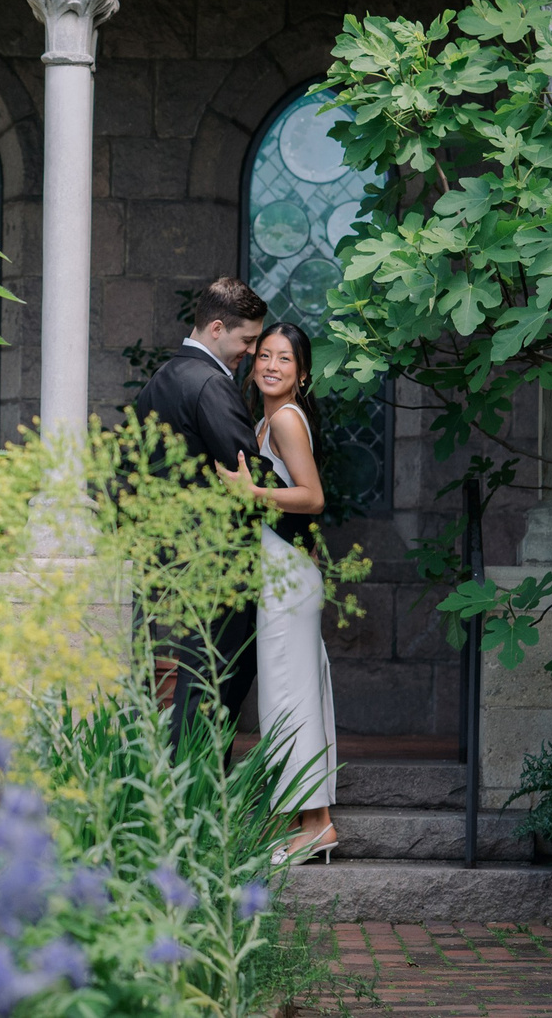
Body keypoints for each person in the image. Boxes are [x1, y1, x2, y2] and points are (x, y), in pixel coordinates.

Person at [131, 277, 269, 754]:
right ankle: (194, 794)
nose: (250, 353)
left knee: (201, 678)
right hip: (218, 558)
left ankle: (189, 794)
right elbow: (246, 473)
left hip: (176, 554)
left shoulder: (160, 380)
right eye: (247, 340)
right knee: (216, 682)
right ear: (216, 328)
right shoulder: (210, 383)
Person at [225, 321, 339, 862]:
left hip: (288, 580)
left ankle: (316, 823)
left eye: (284, 359)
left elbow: (312, 497)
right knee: (285, 695)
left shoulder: (288, 420)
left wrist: (252, 491)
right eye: (264, 355)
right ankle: (306, 817)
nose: (270, 365)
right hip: (281, 572)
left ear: (302, 372)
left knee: (291, 696)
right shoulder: (269, 418)